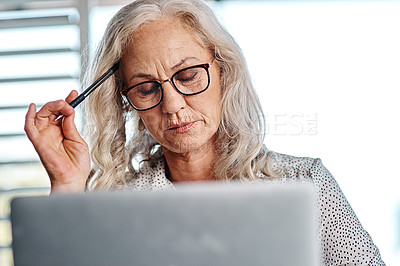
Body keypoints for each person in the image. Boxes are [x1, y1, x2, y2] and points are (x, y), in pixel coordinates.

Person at [24, 0, 385, 264]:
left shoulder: (306, 182)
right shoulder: (110, 206)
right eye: (147, 88)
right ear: (125, 101)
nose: (173, 105)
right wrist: (67, 186)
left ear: (224, 70)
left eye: (188, 75)